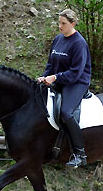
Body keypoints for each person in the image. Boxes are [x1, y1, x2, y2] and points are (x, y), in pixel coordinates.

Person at [37, 9, 91, 168]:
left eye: (63, 23)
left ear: (72, 24)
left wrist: (55, 78)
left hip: (76, 82)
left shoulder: (79, 43)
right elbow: (50, 65)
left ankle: (80, 153)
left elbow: (75, 73)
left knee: (66, 112)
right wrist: (44, 76)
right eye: (59, 22)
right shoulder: (58, 39)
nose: (60, 26)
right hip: (59, 80)